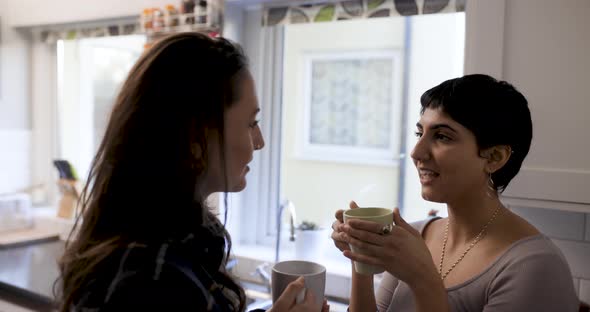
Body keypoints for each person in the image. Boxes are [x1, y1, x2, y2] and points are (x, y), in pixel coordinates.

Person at [56, 32, 327, 312]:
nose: (259, 141)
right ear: (196, 137)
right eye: (250, 123)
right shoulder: (154, 279)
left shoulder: (179, 243)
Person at [331, 74, 579, 311]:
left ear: (494, 157)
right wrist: (360, 257)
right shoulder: (415, 235)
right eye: (420, 133)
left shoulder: (535, 267)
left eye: (441, 136)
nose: (417, 152)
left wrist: (422, 278)